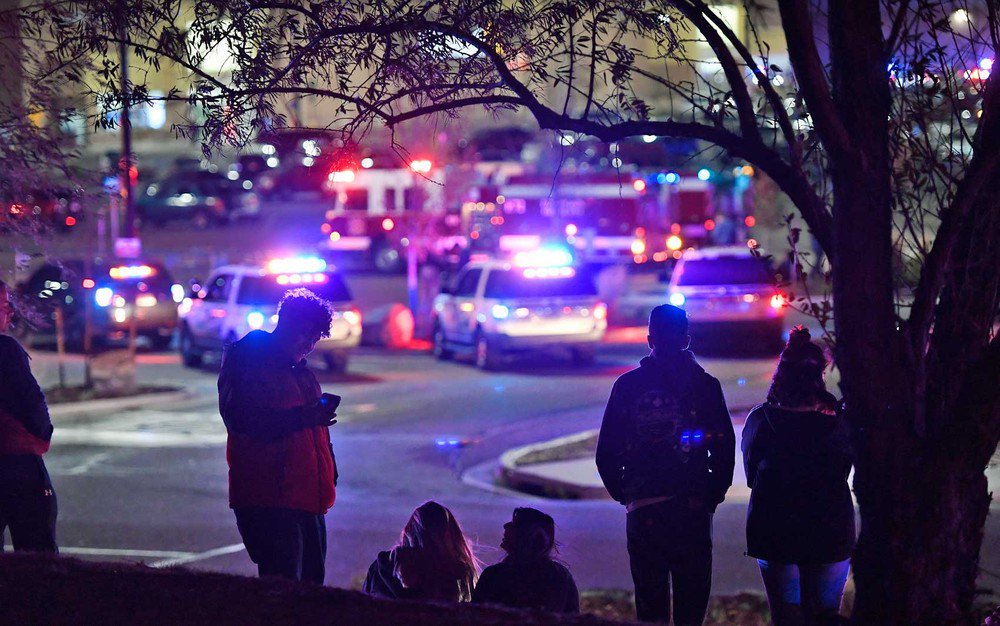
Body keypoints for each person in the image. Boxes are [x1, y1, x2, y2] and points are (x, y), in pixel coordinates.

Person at [596, 304, 735, 625]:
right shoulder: (705, 385)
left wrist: (626, 492)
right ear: (686, 339)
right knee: (692, 601)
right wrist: (711, 494)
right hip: (693, 507)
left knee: (650, 604)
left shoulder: (627, 386)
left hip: (644, 506)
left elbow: (607, 449)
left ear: (649, 339)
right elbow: (724, 446)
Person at [218, 288, 340, 583]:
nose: (309, 345)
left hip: (309, 500)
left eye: (315, 338)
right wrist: (307, 417)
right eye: (305, 335)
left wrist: (329, 469)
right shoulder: (248, 361)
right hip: (270, 501)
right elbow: (243, 420)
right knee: (281, 595)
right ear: (285, 324)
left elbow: (313, 430)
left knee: (310, 593)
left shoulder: (301, 372)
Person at [742, 326, 854, 626]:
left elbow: (752, 475)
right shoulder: (838, 424)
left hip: (775, 530)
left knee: (786, 615)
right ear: (819, 375)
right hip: (830, 529)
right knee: (826, 616)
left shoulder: (761, 420)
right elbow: (845, 468)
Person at [0, 279, 58, 553]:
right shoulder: (6, 351)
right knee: (37, 553)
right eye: (3, 307)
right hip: (15, 463)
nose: (9, 314)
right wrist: (39, 437)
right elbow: (32, 402)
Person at [363, 501, 478, 602]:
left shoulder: (382, 566)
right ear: (451, 535)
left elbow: (364, 608)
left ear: (409, 531)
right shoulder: (458, 572)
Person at [473, 507, 579, 614]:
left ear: (528, 535)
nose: (506, 526)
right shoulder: (560, 575)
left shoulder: (493, 575)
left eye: (515, 524)